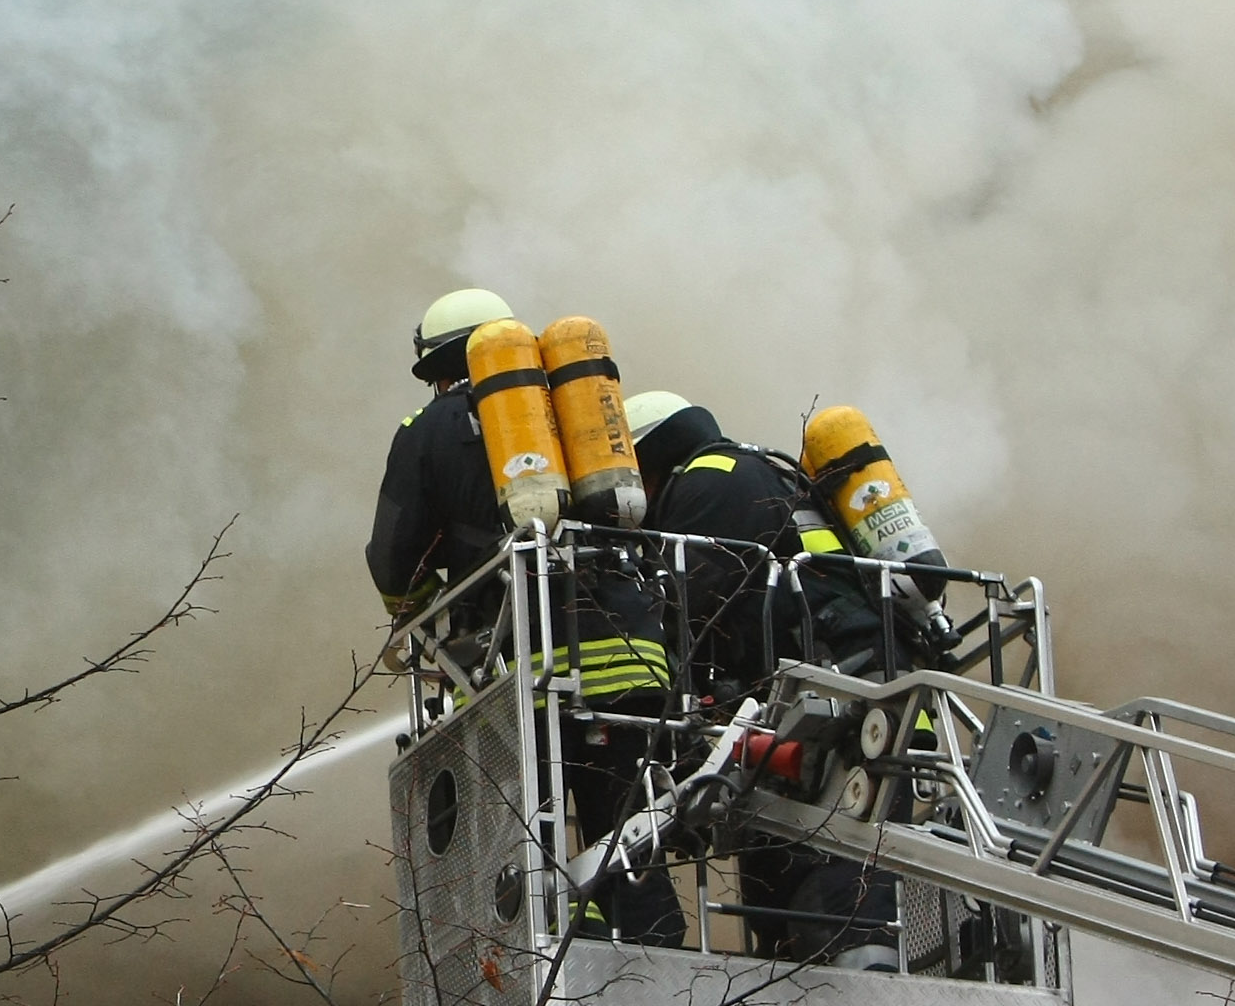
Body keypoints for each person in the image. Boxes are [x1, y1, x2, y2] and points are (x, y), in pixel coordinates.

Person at [372, 293, 679, 943]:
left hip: (524, 661)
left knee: (527, 828)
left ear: (444, 369)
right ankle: (656, 946)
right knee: (624, 822)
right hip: (630, 649)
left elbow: (395, 558)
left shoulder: (428, 431)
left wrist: (418, 616)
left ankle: (575, 949)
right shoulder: (567, 414)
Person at [623, 390, 900, 970]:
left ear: (651, 457)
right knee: (786, 849)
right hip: (838, 685)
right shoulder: (765, 472)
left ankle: (857, 970)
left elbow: (688, 612)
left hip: (832, 692)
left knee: (834, 845)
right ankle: (796, 974)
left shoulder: (707, 485)